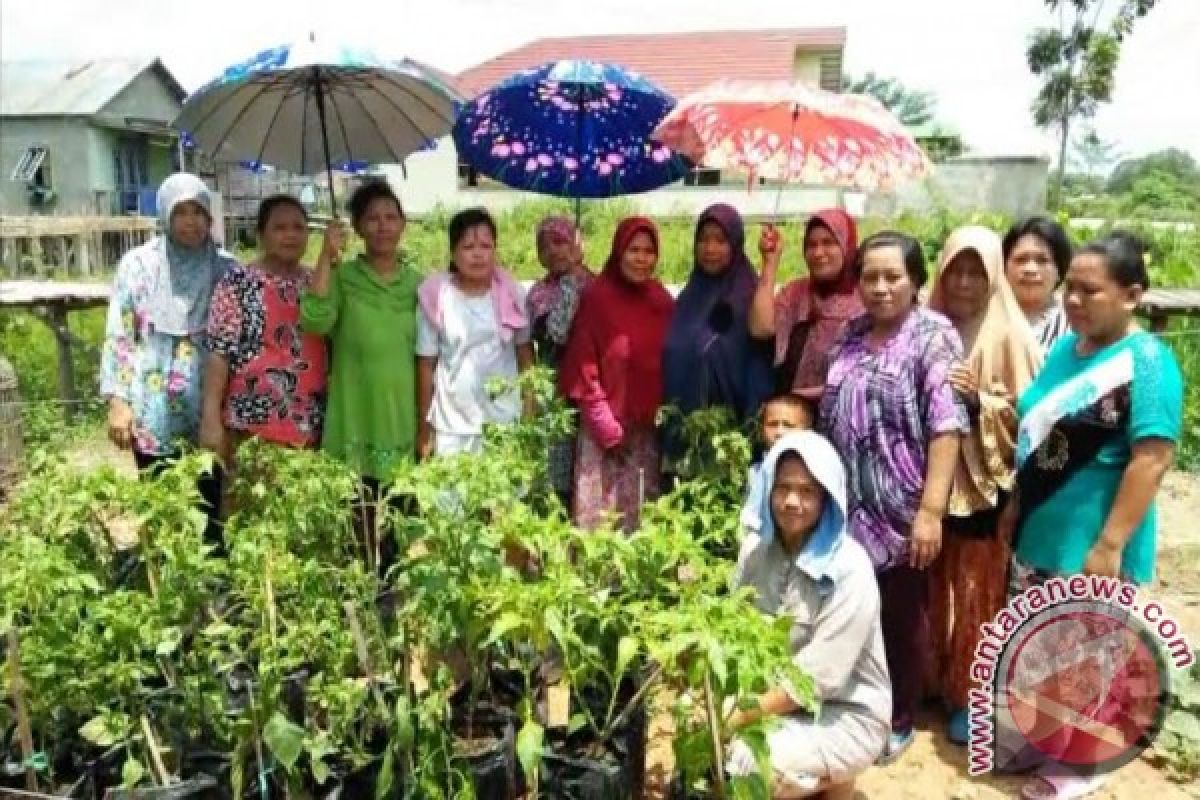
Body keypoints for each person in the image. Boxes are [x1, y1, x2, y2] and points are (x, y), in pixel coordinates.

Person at [1000, 233, 1182, 800]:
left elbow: (1151, 460)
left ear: (1131, 295)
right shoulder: (1065, 350)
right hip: (1041, 529)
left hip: (1094, 539)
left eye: (1089, 290)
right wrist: (1014, 504)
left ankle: (1081, 764)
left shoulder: (1147, 362)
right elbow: (1037, 429)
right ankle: (1042, 738)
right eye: (1069, 288)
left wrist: (1109, 545)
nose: (1073, 300)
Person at [819, 231, 968, 762]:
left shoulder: (933, 336)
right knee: (851, 609)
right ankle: (857, 704)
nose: (880, 288)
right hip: (848, 506)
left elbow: (948, 426)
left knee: (901, 617)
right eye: (870, 277)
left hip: (903, 509)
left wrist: (931, 511)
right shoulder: (852, 334)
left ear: (916, 280)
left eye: (892, 276)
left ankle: (898, 714)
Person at [925, 226, 1044, 745]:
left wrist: (982, 404)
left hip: (984, 490)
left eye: (977, 272)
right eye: (957, 271)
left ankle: (969, 695)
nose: (966, 283)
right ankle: (930, 678)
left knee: (977, 594)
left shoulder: (1010, 335)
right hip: (931, 486)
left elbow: (1036, 418)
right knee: (932, 590)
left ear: (993, 275)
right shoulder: (929, 326)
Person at [727, 431, 891, 799]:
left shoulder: (850, 569)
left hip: (846, 715)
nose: (791, 502)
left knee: (748, 761)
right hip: (773, 702)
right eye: (782, 488)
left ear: (827, 498)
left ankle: (832, 778)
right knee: (696, 718)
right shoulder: (755, 552)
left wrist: (734, 717)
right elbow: (732, 634)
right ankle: (823, 780)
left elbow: (818, 679)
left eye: (808, 492)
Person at [100, 172, 235, 547]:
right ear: (164, 215)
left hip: (210, 405)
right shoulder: (138, 265)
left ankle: (212, 590)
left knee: (210, 501)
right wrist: (118, 401)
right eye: (181, 211)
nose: (191, 221)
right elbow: (120, 334)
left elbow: (239, 344)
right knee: (160, 500)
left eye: (199, 211)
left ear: (210, 217)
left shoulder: (228, 269)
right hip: (152, 403)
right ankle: (166, 586)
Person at [558, 217, 674, 533]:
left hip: (646, 431)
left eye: (649, 251)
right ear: (618, 251)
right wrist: (605, 425)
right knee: (601, 519)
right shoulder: (597, 299)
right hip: (603, 430)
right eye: (633, 249)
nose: (641, 258)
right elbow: (583, 366)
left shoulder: (661, 300)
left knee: (640, 516)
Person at [300, 181, 420, 482]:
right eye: (372, 218)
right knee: (356, 513)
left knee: (401, 513)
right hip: (354, 416)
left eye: (391, 218)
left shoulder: (420, 285)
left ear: (403, 224)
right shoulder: (343, 278)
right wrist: (326, 255)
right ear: (357, 226)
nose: (383, 226)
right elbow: (315, 321)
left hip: (403, 416)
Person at [201, 195, 328, 461]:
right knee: (251, 499)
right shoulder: (238, 282)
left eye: (298, 227)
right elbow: (219, 353)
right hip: (251, 423)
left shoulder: (317, 284)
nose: (290, 235)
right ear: (261, 234)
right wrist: (211, 417)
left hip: (310, 423)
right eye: (279, 228)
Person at [416, 208, 533, 458]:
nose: (478, 254)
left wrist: (529, 409)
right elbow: (426, 364)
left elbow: (525, 357)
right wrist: (425, 427)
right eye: (468, 247)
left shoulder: (512, 294)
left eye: (486, 246)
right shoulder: (437, 296)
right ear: (453, 253)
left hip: (503, 422)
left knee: (502, 496)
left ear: (495, 250)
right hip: (452, 424)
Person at [662, 204, 773, 433]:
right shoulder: (688, 298)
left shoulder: (747, 295)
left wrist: (770, 262)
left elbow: (762, 332)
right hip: (685, 432)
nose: (710, 248)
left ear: (735, 245)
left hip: (732, 433)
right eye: (703, 240)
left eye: (720, 241)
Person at [749, 209, 864, 398]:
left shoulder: (866, 299)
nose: (818, 253)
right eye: (811, 245)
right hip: (791, 413)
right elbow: (760, 329)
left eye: (829, 243)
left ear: (847, 247)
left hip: (843, 412)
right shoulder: (796, 293)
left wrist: (812, 395)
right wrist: (770, 262)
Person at [526, 215, 594, 507]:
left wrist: (579, 277)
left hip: (594, 393)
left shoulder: (597, 284)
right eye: (545, 245)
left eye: (561, 242)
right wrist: (571, 279)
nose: (553, 251)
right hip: (557, 397)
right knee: (558, 484)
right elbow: (557, 331)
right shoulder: (537, 295)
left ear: (577, 244)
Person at [739, 393, 815, 537]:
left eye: (788, 425)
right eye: (772, 424)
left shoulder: (817, 474)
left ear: (808, 430)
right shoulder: (753, 474)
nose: (779, 432)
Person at [1002, 216, 1074, 351]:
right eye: (1021, 259)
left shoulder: (1076, 320)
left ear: (1059, 270)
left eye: (1042, 260)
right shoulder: (986, 317)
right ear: (1004, 266)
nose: (1030, 269)